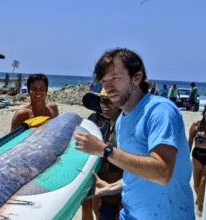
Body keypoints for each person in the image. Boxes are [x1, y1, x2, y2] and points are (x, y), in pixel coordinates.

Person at [74, 48, 194, 219]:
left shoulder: (159, 111)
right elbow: (136, 171)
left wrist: (105, 150)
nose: (108, 87)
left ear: (136, 78)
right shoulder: (122, 119)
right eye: (104, 81)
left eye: (115, 78)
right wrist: (113, 187)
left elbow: (162, 172)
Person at [81, 88, 123, 220]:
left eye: (109, 100)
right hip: (97, 177)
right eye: (103, 100)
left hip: (116, 188)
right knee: (90, 207)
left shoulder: (125, 127)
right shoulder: (95, 120)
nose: (105, 104)